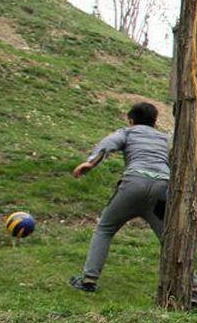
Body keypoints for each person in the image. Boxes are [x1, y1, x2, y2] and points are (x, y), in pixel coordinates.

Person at [69, 102, 170, 294]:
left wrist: (90, 164)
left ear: (131, 120)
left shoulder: (128, 132)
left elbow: (107, 145)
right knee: (169, 238)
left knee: (105, 229)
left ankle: (89, 279)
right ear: (155, 122)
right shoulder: (165, 138)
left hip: (133, 183)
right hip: (162, 188)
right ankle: (194, 288)